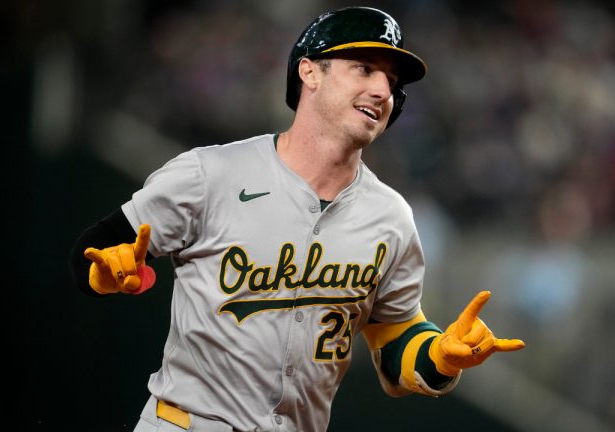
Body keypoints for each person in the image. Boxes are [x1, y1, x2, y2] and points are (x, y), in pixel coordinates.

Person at [69, 7, 524, 432]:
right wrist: (104, 273)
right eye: (364, 69)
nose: (383, 91)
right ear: (310, 72)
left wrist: (441, 357)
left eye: (392, 82)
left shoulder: (391, 217)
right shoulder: (211, 174)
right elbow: (97, 250)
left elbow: (395, 341)